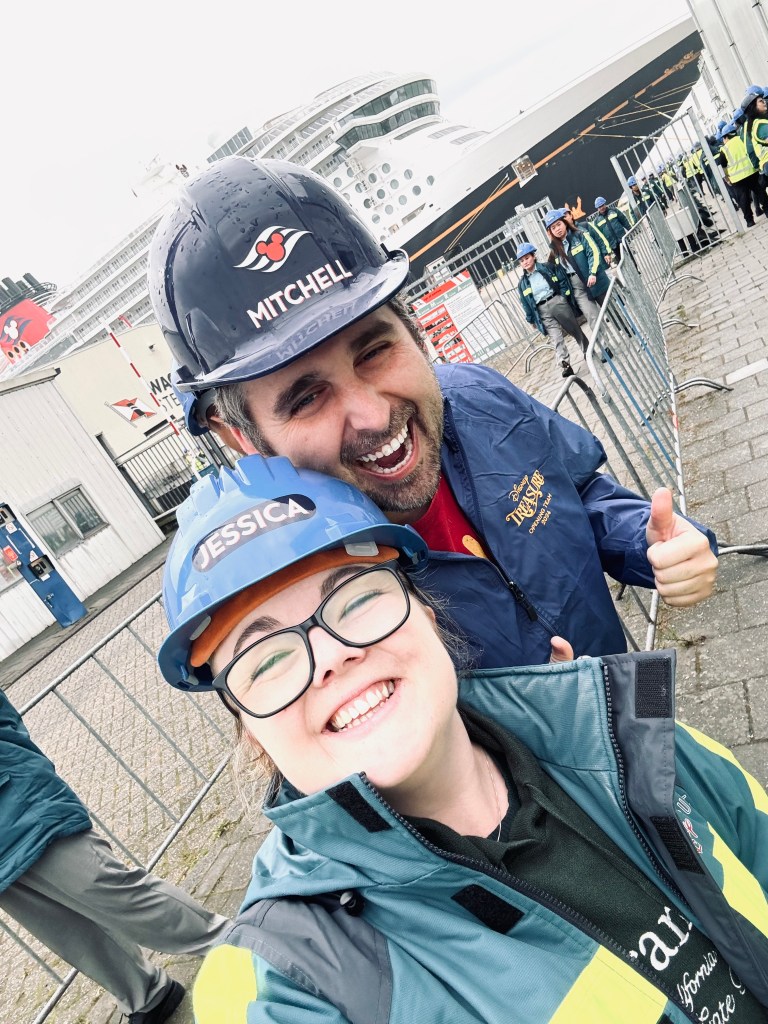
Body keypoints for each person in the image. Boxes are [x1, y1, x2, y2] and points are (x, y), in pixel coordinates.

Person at [157, 456, 768, 1023]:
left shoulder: (629, 733)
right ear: (252, 734)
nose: (331, 658)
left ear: (426, 611)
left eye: (355, 597)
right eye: (266, 661)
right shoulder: (284, 978)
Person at [149, 156, 718, 673]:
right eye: (306, 398)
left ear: (416, 333)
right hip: (532, 787)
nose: (372, 415)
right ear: (239, 435)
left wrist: (648, 545)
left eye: (374, 352)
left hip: (631, 686)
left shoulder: (479, 394)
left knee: (681, 773)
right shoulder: (292, 595)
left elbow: (581, 492)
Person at [0, 689, 230, 1023]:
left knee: (109, 888)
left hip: (15, 803)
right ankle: (147, 995)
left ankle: (234, 940)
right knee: (65, 931)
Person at [514, 241, 588, 377]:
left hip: (557, 302)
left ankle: (587, 351)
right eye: (522, 260)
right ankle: (565, 364)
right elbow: (526, 303)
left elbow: (562, 280)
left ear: (533, 256)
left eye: (527, 258)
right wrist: (531, 319)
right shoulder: (522, 284)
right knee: (556, 338)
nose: (525, 262)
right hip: (542, 311)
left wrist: (564, 297)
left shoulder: (548, 267)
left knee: (574, 329)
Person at [545, 207, 610, 328]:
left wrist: (593, 273)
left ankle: (630, 333)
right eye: (553, 228)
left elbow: (594, 252)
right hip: (577, 287)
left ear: (564, 222)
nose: (557, 229)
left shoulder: (579, 234)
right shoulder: (554, 251)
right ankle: (605, 346)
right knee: (592, 317)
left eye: (558, 224)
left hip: (594, 279)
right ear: (550, 232)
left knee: (611, 309)